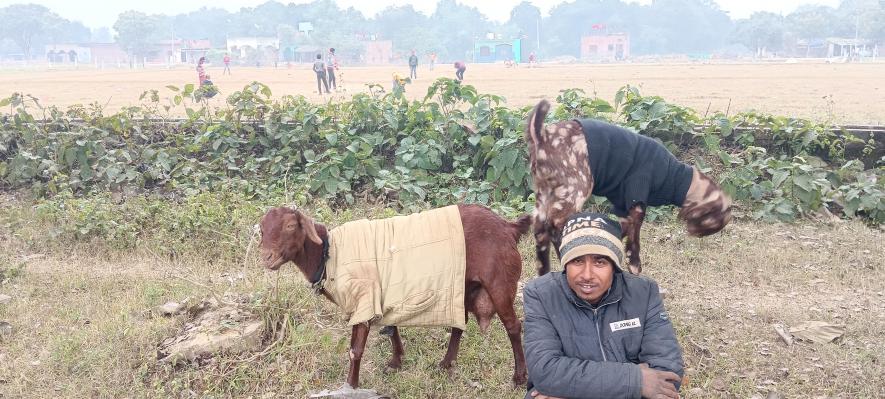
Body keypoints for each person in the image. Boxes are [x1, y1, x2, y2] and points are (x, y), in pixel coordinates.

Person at [522, 212, 684, 399]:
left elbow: (667, 373)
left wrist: (570, 388)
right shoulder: (542, 294)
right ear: (565, 264)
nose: (587, 274)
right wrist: (635, 380)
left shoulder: (643, 293)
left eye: (599, 261)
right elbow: (546, 371)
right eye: (577, 260)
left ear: (614, 266)